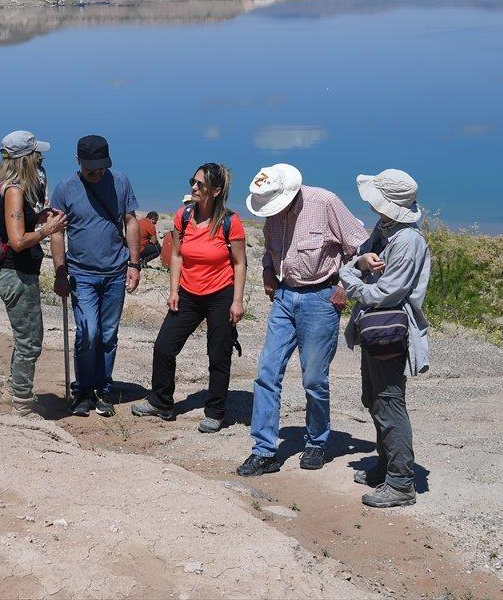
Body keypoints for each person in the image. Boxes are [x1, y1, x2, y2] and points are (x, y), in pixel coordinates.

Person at [236, 163, 368, 477]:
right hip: (284, 297)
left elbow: (360, 246)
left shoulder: (325, 203)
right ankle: (264, 450)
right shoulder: (272, 211)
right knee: (267, 372)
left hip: (321, 298)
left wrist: (343, 285)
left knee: (314, 380)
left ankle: (316, 441)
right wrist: (268, 269)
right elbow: (271, 249)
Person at [339, 169, 431, 508]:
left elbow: (386, 292)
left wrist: (351, 279)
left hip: (389, 329)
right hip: (378, 327)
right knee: (376, 398)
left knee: (390, 400)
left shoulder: (407, 241)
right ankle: (386, 465)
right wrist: (359, 263)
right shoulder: (386, 230)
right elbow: (359, 261)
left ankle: (401, 482)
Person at [131, 164, 246, 433]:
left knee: (218, 355)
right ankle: (161, 401)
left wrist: (237, 301)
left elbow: (239, 263)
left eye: (199, 185)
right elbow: (177, 255)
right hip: (188, 293)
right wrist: (174, 291)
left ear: (215, 191)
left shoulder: (231, 222)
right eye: (192, 182)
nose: (193, 188)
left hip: (221, 294)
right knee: (164, 347)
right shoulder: (183, 216)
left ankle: (215, 411)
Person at [49, 134, 141, 417]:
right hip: (81, 274)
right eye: (91, 168)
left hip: (115, 272)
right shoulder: (65, 188)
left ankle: (102, 388)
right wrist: (60, 272)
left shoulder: (121, 182)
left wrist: (135, 264)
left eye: (101, 167)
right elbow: (56, 232)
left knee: (108, 334)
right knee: (88, 332)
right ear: (78, 161)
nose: (97, 173)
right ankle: (83, 389)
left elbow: (131, 221)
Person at [0, 131, 68, 419]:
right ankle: (21, 403)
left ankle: (19, 392)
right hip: (16, 274)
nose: (41, 159)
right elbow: (18, 240)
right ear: (26, 159)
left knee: (26, 338)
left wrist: (40, 218)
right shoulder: (14, 191)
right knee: (30, 340)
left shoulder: (3, 187)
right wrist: (48, 230)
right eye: (37, 155)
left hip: (14, 273)